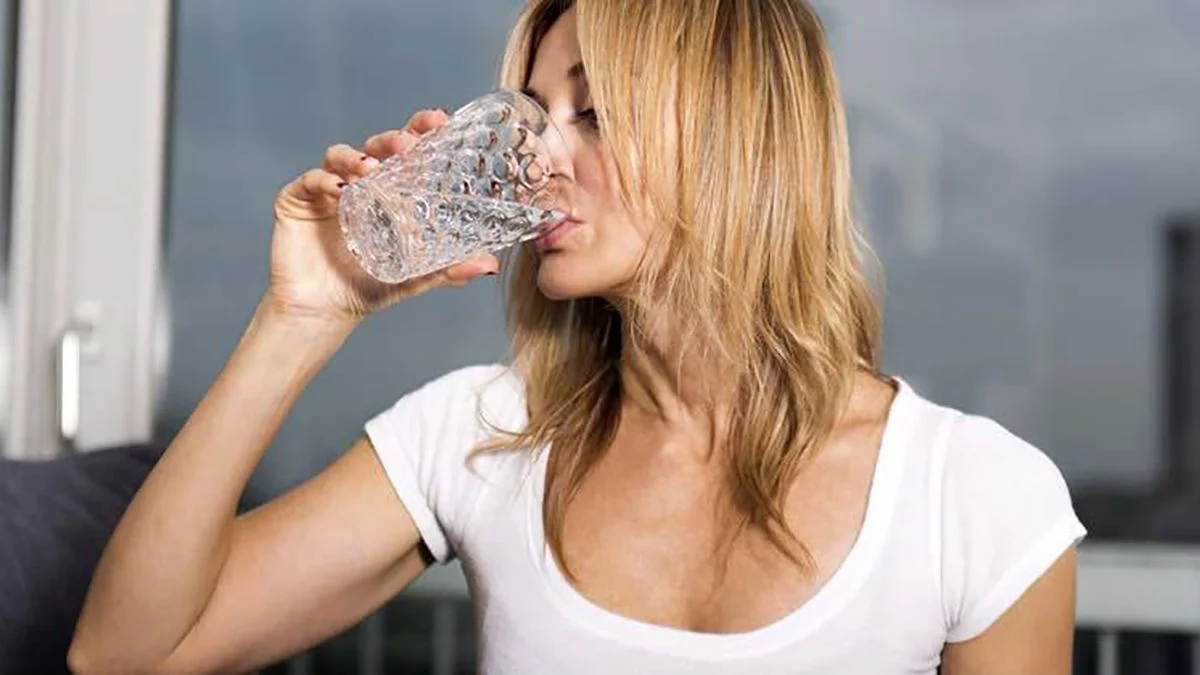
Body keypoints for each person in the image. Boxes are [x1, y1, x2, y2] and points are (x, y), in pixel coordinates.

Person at [68, 0, 1086, 673]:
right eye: (536, 113)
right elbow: (122, 658)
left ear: (740, 138)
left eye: (592, 112)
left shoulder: (979, 498)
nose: (533, 159)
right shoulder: (481, 432)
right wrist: (300, 317)